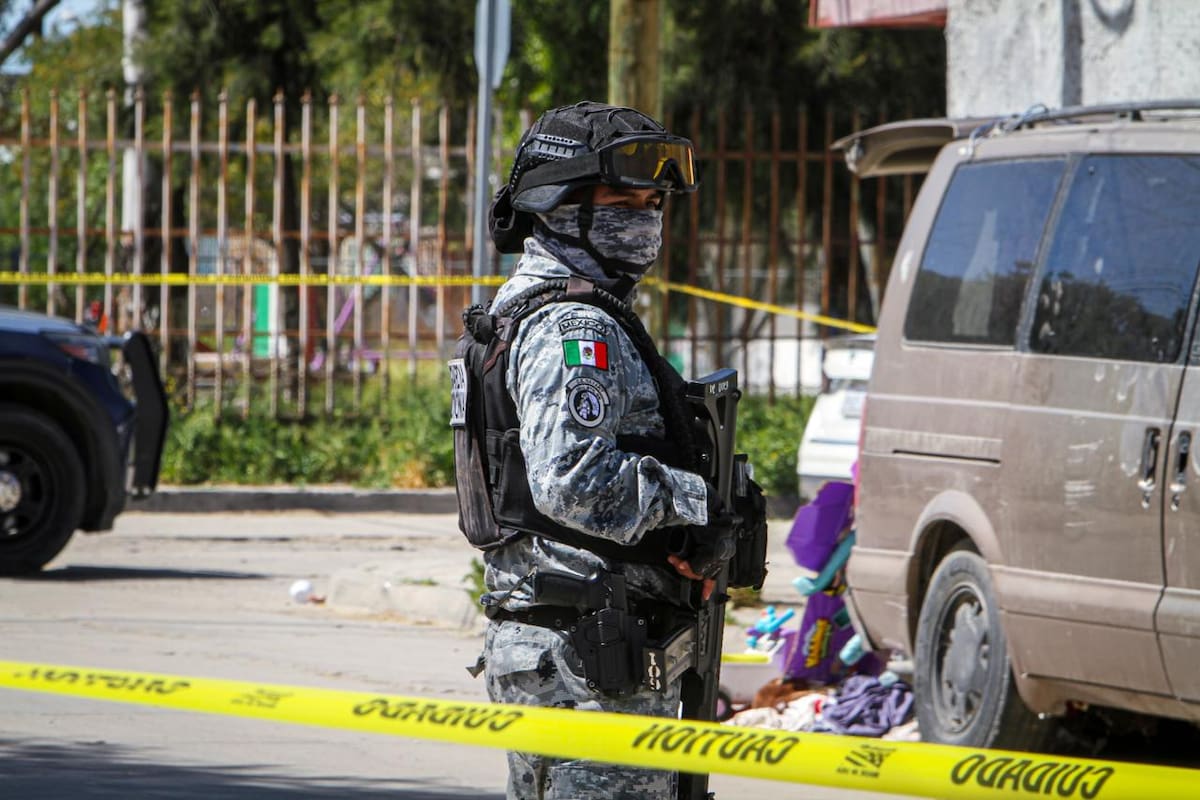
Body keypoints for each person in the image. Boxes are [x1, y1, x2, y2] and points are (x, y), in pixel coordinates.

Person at [449, 101, 739, 800]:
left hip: (575, 645)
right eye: (620, 199)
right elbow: (575, 482)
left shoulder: (537, 310)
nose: (643, 218)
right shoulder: (572, 326)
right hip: (587, 657)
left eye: (651, 201)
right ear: (558, 203)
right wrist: (700, 504)